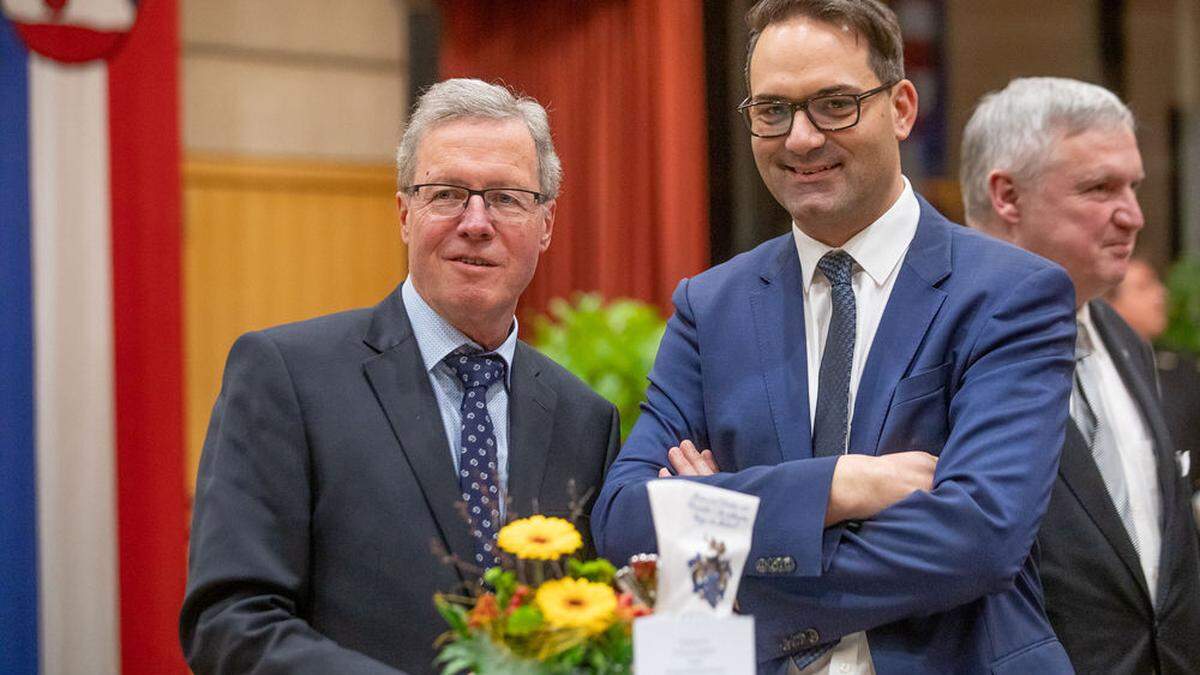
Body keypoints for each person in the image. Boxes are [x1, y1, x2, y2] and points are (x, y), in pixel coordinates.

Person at [592, 1, 1076, 673]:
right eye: (772, 111)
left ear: (902, 107)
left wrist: (726, 538)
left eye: (835, 104)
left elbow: (978, 538)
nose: (800, 138)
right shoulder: (712, 307)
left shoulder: (1010, 294)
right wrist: (839, 486)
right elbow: (625, 522)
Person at [180, 79, 620, 674]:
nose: (476, 222)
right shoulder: (286, 377)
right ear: (405, 213)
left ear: (545, 224)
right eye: (447, 194)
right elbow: (231, 621)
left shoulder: (585, 420)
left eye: (507, 198)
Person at [962, 76, 1200, 674]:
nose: (1134, 216)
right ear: (1007, 197)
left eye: (1134, 187)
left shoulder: (1122, 340)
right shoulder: (933, 349)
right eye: (1101, 188)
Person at [1108, 257, 1200, 502]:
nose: (1161, 294)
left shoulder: (1180, 367)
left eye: (1157, 283)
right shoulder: (1093, 373)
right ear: (1108, 304)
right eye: (1144, 287)